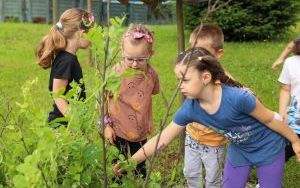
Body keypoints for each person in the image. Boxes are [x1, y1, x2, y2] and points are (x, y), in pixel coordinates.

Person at [115, 47, 300, 188]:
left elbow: (269, 119)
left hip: (268, 148)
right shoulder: (191, 109)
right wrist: (129, 162)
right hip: (240, 150)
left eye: (185, 80)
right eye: (178, 80)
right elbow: (162, 139)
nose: (180, 86)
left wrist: (294, 140)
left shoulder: (238, 98)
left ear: (205, 77)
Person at [103, 24, 160, 179]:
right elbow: (102, 100)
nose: (135, 64)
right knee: (117, 169)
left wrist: (149, 119)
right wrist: (106, 125)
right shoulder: (116, 72)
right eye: (130, 59)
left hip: (140, 130)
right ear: (123, 52)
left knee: (139, 169)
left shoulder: (152, 75)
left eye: (141, 60)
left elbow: (148, 99)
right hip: (117, 130)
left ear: (150, 54)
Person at [183, 23, 227, 188]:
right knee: (190, 172)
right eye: (193, 50)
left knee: (213, 179)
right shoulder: (191, 72)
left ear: (218, 53)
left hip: (213, 141)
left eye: (204, 52)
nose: (197, 57)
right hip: (192, 136)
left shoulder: (223, 79)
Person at [36, 8, 94, 127]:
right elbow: (58, 96)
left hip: (66, 123)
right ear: (82, 33)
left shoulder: (67, 57)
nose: (93, 39)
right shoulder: (67, 61)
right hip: (62, 126)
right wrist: (74, 122)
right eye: (91, 34)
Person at [278, 38, 300, 162]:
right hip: (296, 120)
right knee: (282, 150)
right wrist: (282, 111)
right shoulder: (291, 63)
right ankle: (267, 179)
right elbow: (286, 89)